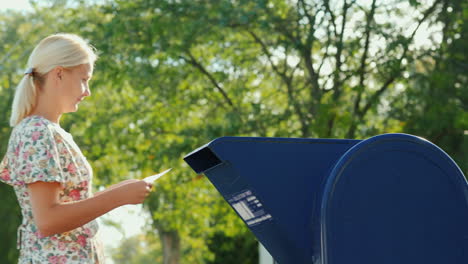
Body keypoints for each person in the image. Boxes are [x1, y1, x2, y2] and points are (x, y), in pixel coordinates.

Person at [0, 33, 153, 263]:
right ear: (59, 73)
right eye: (84, 79)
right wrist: (117, 197)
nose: (88, 91)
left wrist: (118, 190)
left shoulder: (51, 131)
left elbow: (68, 204)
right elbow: (48, 220)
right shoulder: (37, 131)